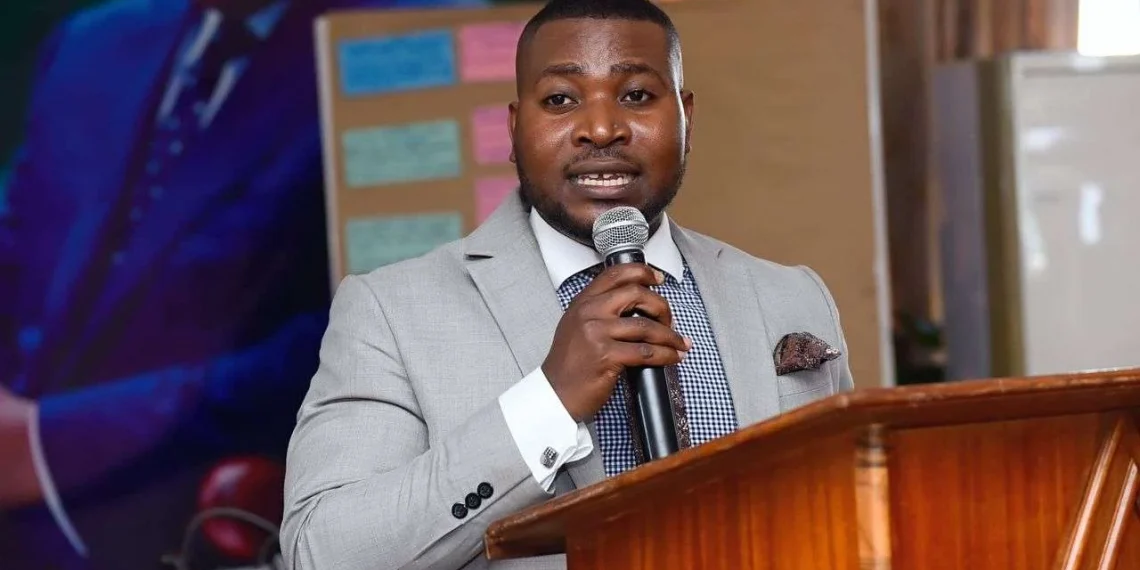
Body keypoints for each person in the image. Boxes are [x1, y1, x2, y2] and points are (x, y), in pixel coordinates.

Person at [280, 0, 855, 568]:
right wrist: (549, 401)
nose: (602, 129)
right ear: (514, 129)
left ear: (686, 117)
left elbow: (854, 517)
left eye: (637, 95)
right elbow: (324, 552)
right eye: (560, 99)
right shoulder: (391, 312)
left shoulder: (792, 296)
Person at [0, 0, 487, 568]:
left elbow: (395, 331)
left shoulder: (415, 46)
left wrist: (51, 443)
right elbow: (18, 252)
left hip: (232, 525)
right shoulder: (93, 42)